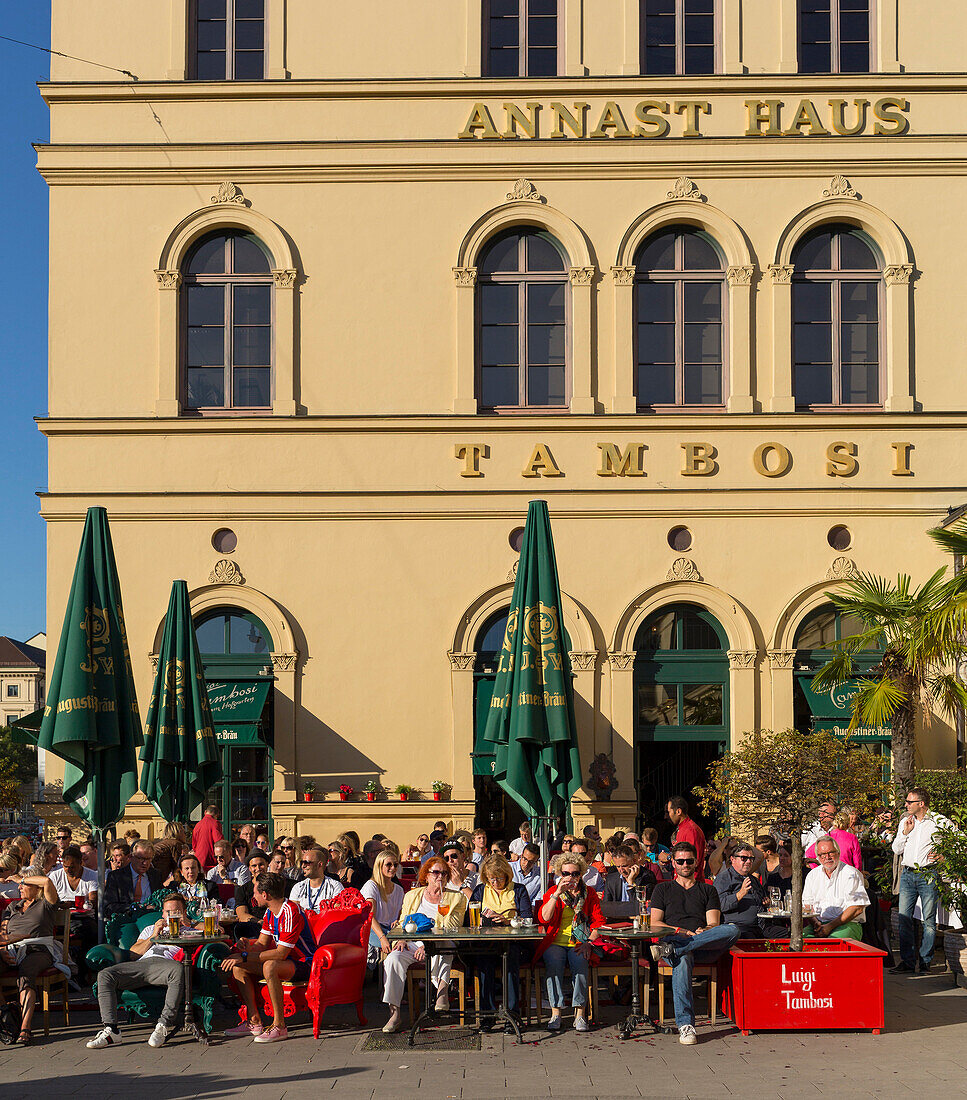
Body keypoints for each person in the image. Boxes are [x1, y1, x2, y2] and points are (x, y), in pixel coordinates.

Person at [651, 841, 739, 1046]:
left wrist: (704, 931)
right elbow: (655, 924)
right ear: (673, 862)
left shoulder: (707, 890)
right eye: (680, 861)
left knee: (732, 929)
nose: (684, 864)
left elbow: (713, 924)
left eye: (689, 861)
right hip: (673, 940)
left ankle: (679, 948)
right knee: (683, 959)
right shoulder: (662, 889)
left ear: (697, 862)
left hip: (703, 945)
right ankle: (685, 1025)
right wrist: (679, 931)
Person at [86, 892, 199, 1050]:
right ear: (162, 913)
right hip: (142, 964)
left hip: (166, 966)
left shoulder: (189, 931)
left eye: (176, 912)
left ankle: (163, 1025)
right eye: (168, 912)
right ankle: (112, 1030)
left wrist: (188, 925)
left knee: (177, 969)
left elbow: (213, 929)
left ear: (184, 912)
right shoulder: (150, 929)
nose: (171, 915)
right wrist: (153, 936)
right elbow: (133, 953)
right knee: (105, 975)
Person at [222, 871, 317, 1043]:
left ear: (265, 895)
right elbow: (261, 944)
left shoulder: (290, 911)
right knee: (238, 967)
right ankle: (254, 1021)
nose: (253, 896)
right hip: (287, 963)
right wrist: (247, 946)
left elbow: (281, 953)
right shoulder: (270, 913)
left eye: (255, 892)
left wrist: (244, 956)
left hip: (306, 964)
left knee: (269, 966)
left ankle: (279, 1026)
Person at [381, 856, 468, 1033]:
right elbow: (403, 922)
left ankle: (442, 992)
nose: (440, 876)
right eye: (436, 872)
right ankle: (394, 1014)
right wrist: (402, 939)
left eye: (444, 873)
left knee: (446, 945)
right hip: (413, 943)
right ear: (426, 875)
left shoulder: (456, 898)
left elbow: (451, 928)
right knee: (392, 959)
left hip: (441, 941)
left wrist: (427, 943)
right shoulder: (412, 895)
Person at [534, 853, 604, 1034]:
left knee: (580, 962)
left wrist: (589, 942)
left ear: (581, 874)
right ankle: (556, 1012)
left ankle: (579, 1013)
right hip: (555, 941)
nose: (570, 877)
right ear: (560, 874)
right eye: (566, 873)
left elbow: (599, 923)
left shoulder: (589, 893)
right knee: (553, 963)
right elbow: (544, 918)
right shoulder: (553, 892)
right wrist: (556, 894)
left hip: (580, 941)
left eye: (575, 874)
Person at [466, 854, 533, 1029]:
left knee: (510, 960)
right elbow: (468, 921)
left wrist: (506, 920)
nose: (495, 882)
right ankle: (487, 1016)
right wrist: (482, 920)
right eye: (491, 879)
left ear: (507, 875)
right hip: (488, 943)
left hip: (514, 943)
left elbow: (528, 920)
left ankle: (512, 1016)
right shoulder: (481, 890)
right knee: (483, 961)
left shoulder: (518, 890)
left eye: (499, 878)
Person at [891, 786, 951, 974]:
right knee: (904, 919)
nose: (906, 805)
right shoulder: (905, 822)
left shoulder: (938, 821)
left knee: (929, 920)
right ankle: (908, 962)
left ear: (921, 804)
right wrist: (905, 833)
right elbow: (896, 849)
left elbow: (960, 839)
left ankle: (925, 961)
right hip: (908, 874)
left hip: (928, 874)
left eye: (910, 802)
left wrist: (944, 856)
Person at [0, 870, 62, 1044]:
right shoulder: (12, 907)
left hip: (38, 949)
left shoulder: (47, 904)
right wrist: (3, 950)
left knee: (26, 974)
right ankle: (6, 1012)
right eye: (19, 884)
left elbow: (48, 881)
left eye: (24, 884)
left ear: (37, 886)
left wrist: (22, 877)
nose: (20, 886)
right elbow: (3, 933)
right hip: (10, 949)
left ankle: (25, 1028)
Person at [712, 841, 785, 939]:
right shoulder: (724, 879)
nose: (749, 861)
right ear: (732, 859)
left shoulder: (753, 879)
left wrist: (766, 902)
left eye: (751, 858)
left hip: (761, 926)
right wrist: (739, 894)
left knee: (790, 934)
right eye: (744, 858)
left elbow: (763, 899)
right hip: (740, 928)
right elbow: (719, 905)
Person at [802, 837, 869, 941]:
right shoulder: (812, 875)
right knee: (800, 940)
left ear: (838, 853)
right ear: (818, 857)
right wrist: (815, 923)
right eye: (822, 855)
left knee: (834, 943)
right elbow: (806, 905)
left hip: (846, 923)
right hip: (818, 924)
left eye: (830, 853)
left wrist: (829, 926)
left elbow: (857, 908)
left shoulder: (851, 873)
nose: (827, 857)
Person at [360, 849, 404, 966]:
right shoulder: (371, 886)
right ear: (379, 865)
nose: (393, 868)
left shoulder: (399, 890)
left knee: (407, 944)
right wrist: (382, 937)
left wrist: (398, 922)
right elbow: (370, 917)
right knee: (396, 946)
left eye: (395, 864)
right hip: (372, 929)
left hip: (392, 930)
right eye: (388, 864)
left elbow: (401, 915)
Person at [103, 841, 164, 920]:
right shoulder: (116, 877)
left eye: (148, 859)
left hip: (151, 918)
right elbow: (109, 907)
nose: (144, 863)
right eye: (140, 858)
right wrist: (134, 907)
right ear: (131, 857)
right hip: (126, 920)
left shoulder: (155, 875)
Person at [290, 846, 344, 912]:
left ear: (319, 865)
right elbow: (294, 911)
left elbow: (338, 911)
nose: (303, 866)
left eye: (307, 862)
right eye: (302, 862)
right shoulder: (298, 887)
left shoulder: (335, 886)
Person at [666, 797, 706, 879]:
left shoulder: (690, 830)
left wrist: (668, 857)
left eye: (669, 812)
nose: (666, 816)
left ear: (678, 811)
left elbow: (692, 860)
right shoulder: (683, 828)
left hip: (690, 884)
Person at [234, 850, 270, 934]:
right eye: (254, 866)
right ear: (250, 869)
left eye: (261, 865)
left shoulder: (274, 885)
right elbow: (242, 914)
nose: (258, 869)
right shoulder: (243, 889)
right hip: (254, 927)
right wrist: (260, 922)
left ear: (267, 865)